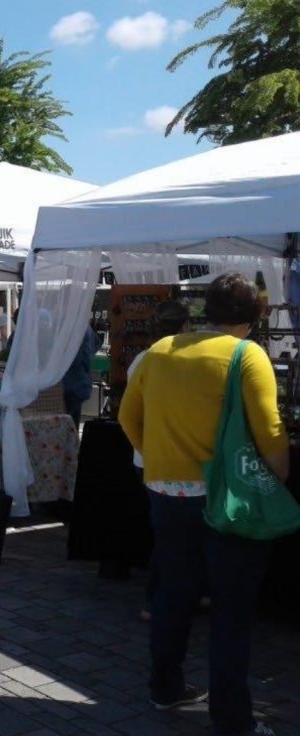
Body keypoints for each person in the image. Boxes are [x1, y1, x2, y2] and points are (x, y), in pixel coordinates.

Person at [119, 273, 288, 736]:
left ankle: (165, 686)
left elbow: (126, 415)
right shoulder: (246, 354)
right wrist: (280, 476)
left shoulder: (160, 351)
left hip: (167, 492)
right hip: (226, 496)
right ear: (253, 318)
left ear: (204, 311)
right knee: (232, 610)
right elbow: (270, 429)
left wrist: (156, 458)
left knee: (175, 592)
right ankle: (233, 719)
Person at [124, 300, 191, 622]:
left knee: (166, 531)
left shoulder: (141, 359)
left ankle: (171, 594)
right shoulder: (172, 360)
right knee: (172, 535)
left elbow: (130, 412)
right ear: (185, 327)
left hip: (149, 455)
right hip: (167, 455)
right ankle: (156, 598)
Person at [62, 324, 98, 427]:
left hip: (67, 383)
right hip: (77, 383)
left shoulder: (62, 326)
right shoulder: (83, 327)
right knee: (72, 425)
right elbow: (92, 349)